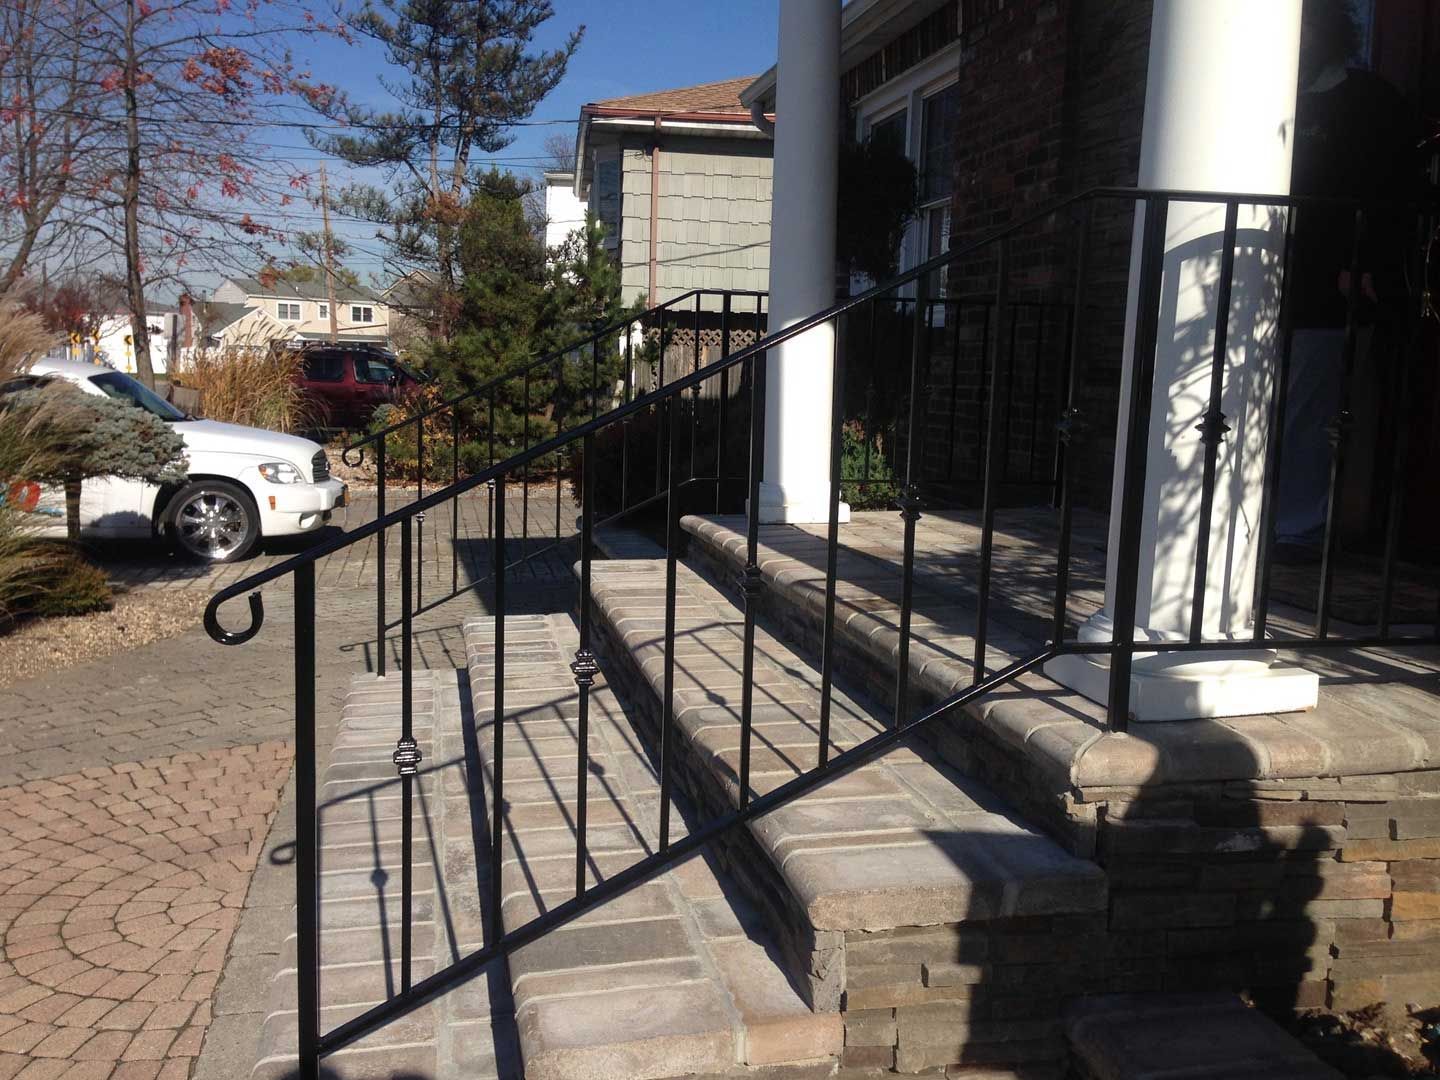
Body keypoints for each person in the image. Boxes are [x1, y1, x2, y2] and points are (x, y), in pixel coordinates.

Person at [1276, 1, 1417, 558]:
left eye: (1309, 24)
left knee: (1312, 402)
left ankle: (1298, 525)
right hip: (1266, 276)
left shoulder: (1368, 101)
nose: (1301, 35)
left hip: (1331, 281)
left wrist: (1367, 260)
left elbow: (1390, 190)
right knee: (1258, 402)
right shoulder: (1277, 96)